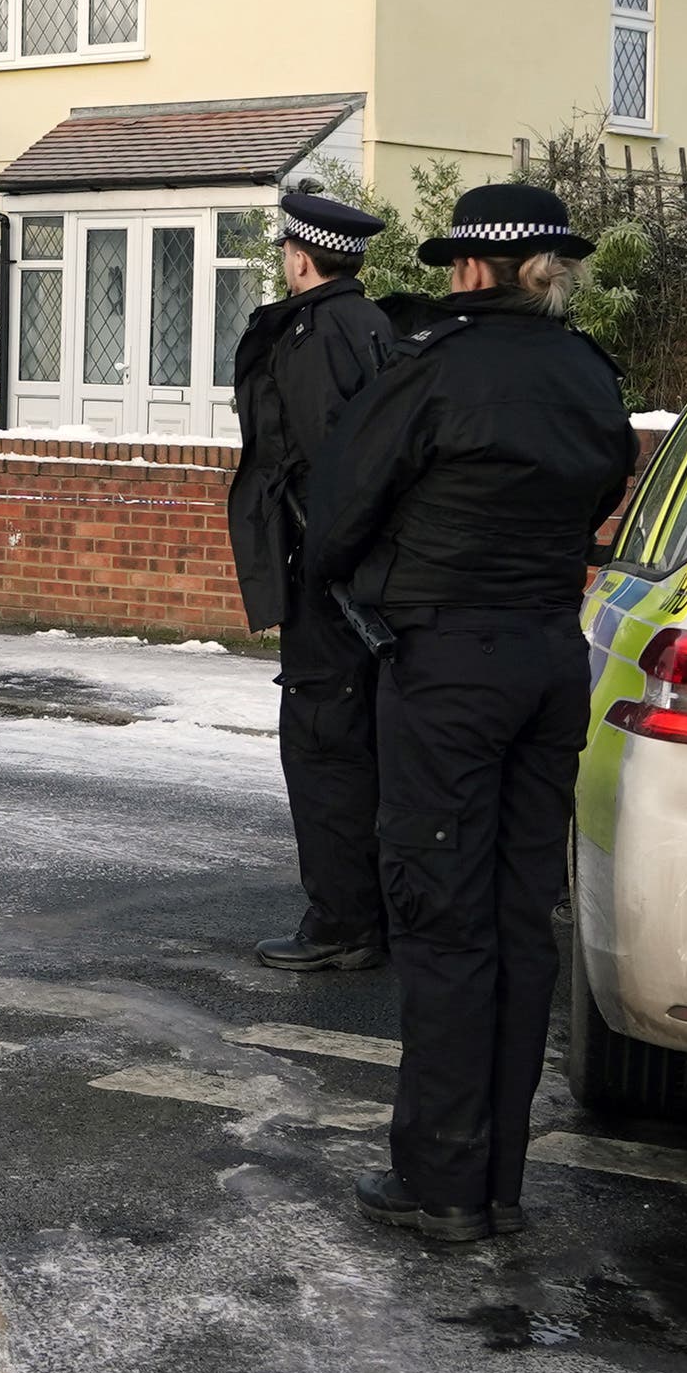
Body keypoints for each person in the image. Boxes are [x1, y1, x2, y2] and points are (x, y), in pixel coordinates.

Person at [297, 181, 640, 1245]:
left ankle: (441, 1183)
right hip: (550, 654)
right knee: (517, 917)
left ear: (468, 268)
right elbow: (602, 488)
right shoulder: (589, 371)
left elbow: (340, 514)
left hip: (449, 666)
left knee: (443, 919)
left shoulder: (431, 370)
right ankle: (498, 1181)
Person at [222, 185, 406, 973]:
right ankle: (375, 913)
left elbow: (331, 467)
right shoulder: (373, 324)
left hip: (331, 580)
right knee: (367, 745)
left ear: (300, 259)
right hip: (367, 579)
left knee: (326, 746)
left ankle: (343, 924)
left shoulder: (314, 337)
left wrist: (321, 567)